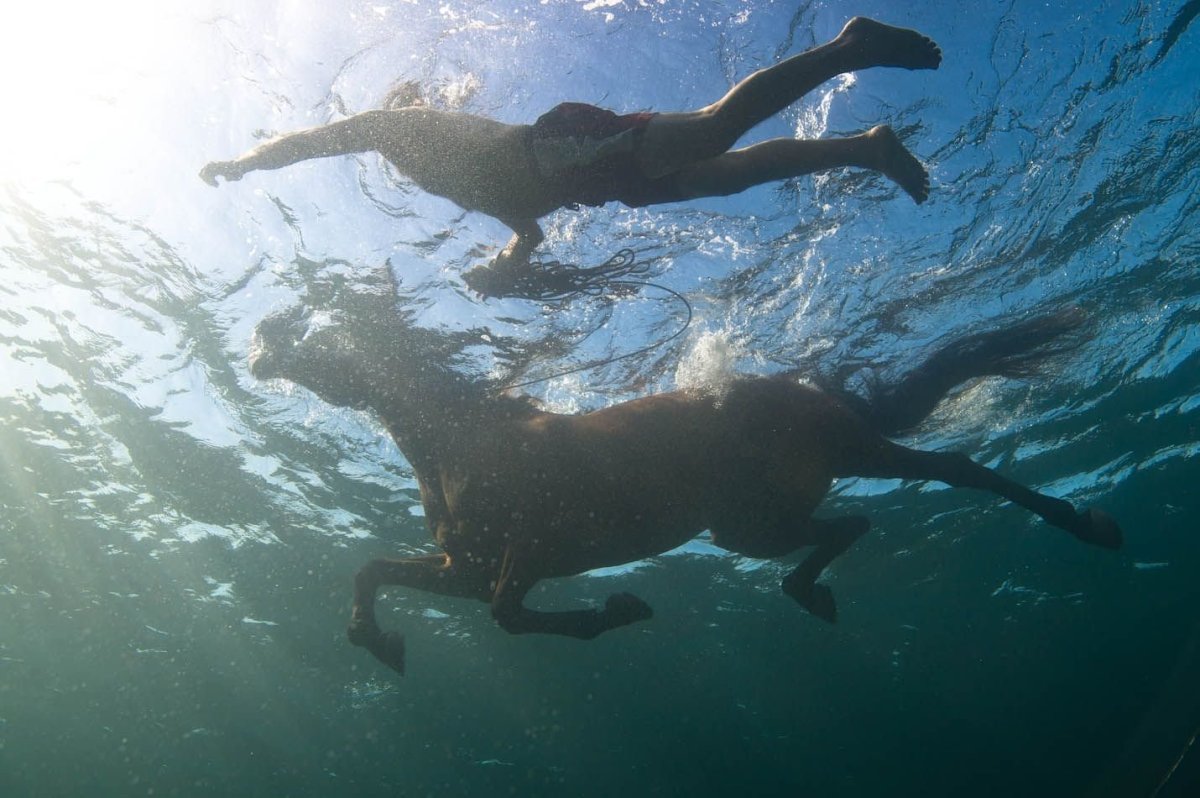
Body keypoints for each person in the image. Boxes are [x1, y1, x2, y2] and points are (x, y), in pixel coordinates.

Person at [201, 17, 941, 295]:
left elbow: (308, 142)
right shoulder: (436, 177)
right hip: (590, 185)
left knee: (715, 130)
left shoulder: (394, 127)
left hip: (564, 149)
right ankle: (864, 150)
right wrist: (509, 262)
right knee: (729, 175)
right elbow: (526, 225)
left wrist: (243, 164)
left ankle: (850, 46)